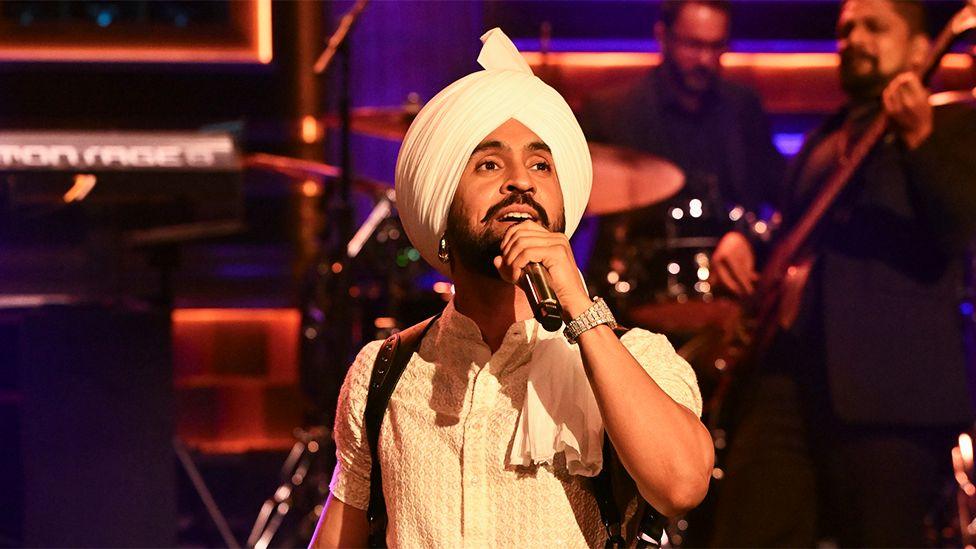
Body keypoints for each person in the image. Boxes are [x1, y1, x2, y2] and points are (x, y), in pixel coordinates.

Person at [308, 29, 713, 548]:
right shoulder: (384, 372)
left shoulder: (634, 356)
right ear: (442, 209)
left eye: (541, 164)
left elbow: (682, 485)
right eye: (490, 164)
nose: (521, 181)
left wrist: (580, 310)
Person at [710, 1, 976, 546]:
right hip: (788, 378)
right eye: (846, 28)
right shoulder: (825, 135)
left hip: (890, 392)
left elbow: (960, 231)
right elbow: (791, 226)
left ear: (922, 49)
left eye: (875, 27)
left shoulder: (955, 121)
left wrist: (919, 139)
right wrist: (748, 241)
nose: (853, 38)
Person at [578, 0, 785, 305]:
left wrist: (748, 238)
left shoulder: (743, 109)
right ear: (662, 36)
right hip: (635, 299)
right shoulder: (612, 112)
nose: (705, 59)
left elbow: (783, 196)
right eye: (693, 45)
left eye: (716, 47)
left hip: (727, 300)